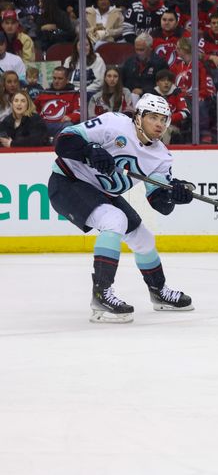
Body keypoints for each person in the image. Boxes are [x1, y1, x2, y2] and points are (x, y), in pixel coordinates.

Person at [47, 94, 195, 323]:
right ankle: (101, 295)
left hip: (103, 193)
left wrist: (174, 195)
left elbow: (159, 203)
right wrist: (89, 150)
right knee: (114, 220)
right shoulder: (114, 123)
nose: (159, 124)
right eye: (152, 117)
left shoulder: (161, 157)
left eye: (163, 119)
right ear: (138, 117)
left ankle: (158, 292)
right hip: (68, 182)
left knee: (144, 239)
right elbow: (63, 141)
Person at [34, 66, 81, 138]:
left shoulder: (74, 94)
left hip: (61, 125)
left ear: (67, 80)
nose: (56, 81)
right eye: (54, 78)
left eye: (60, 78)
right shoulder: (44, 93)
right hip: (43, 125)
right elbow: (33, 110)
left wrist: (71, 117)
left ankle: (56, 146)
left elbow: (79, 112)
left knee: (68, 126)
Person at [121, 33, 169, 101]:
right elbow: (122, 82)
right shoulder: (129, 62)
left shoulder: (160, 64)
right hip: (130, 99)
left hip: (152, 100)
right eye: (136, 49)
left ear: (150, 48)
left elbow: (164, 86)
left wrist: (143, 91)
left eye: (141, 50)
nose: (138, 53)